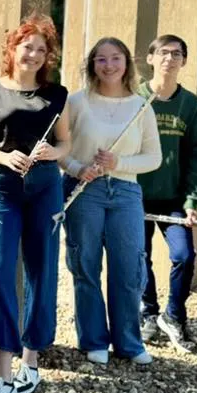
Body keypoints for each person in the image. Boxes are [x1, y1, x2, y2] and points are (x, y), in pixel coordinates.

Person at [0, 14, 71, 393]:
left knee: (41, 271)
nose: (32, 54)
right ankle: (3, 375)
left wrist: (54, 153)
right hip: (1, 186)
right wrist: (3, 155)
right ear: (12, 48)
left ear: (47, 57)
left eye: (41, 49)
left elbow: (66, 144)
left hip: (45, 187)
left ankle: (30, 363)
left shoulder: (56, 95)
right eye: (26, 45)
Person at [60, 37, 161, 366]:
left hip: (126, 192)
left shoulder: (141, 106)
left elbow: (153, 158)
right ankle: (93, 340)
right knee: (85, 264)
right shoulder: (76, 102)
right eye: (100, 59)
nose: (108, 65)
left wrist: (120, 163)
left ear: (126, 63)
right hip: (84, 191)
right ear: (92, 65)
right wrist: (78, 168)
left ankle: (129, 342)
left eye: (115, 58)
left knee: (129, 267)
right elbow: (60, 150)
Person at [137, 35, 197, 350]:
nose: (169, 58)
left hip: (173, 199)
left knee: (183, 255)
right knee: (139, 256)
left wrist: (192, 202)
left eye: (176, 53)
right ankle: (147, 312)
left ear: (184, 61)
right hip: (134, 195)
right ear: (150, 58)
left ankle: (174, 316)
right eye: (163, 52)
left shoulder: (191, 106)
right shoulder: (133, 98)